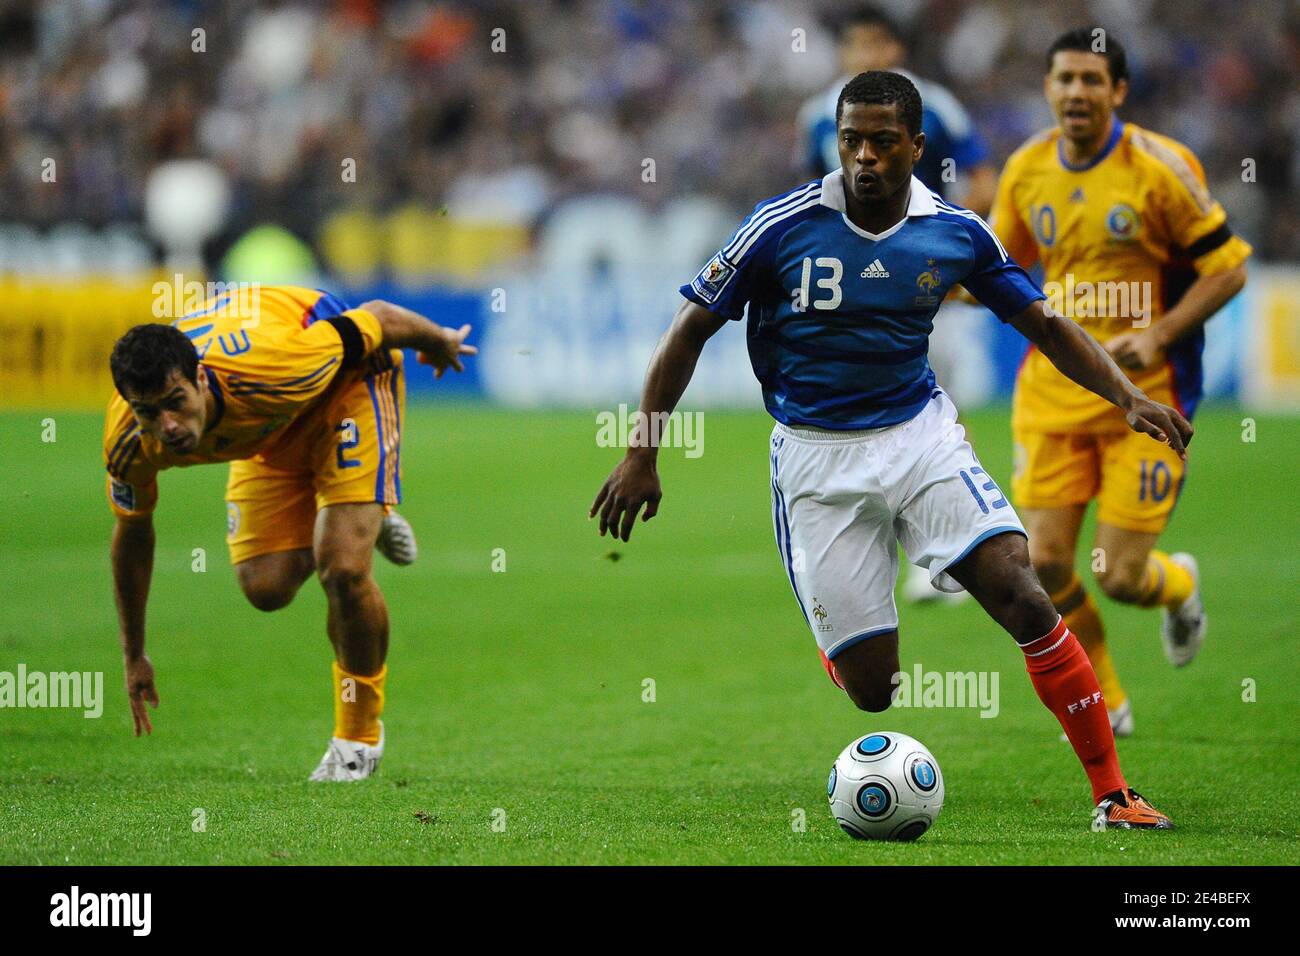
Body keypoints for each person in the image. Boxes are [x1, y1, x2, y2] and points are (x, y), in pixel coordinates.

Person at [591, 71, 1189, 829]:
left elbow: (1043, 324)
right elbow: (689, 328)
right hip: (816, 459)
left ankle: (1114, 794)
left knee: (1022, 591)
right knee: (875, 690)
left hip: (920, 439)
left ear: (915, 145)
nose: (864, 157)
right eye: (850, 142)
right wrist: (643, 451)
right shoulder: (781, 224)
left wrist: (1129, 397)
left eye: (880, 141)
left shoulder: (956, 232)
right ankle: (839, 643)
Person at [989, 28, 1250, 736]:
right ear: (1048, 88)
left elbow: (1229, 266)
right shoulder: (1026, 169)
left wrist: (1159, 334)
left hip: (1145, 401)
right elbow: (999, 265)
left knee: (1119, 576)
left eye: (1091, 80)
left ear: (1119, 92)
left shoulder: (1162, 168)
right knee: (1042, 563)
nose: (1076, 92)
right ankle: (1105, 692)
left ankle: (1180, 585)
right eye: (1065, 79)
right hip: (1050, 396)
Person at [104, 286, 475, 780]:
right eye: (149, 412)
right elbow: (132, 535)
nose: (167, 425)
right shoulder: (128, 441)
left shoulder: (274, 365)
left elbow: (379, 316)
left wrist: (439, 340)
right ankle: (361, 507)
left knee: (342, 567)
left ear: (199, 377)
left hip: (347, 389)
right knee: (266, 587)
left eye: (176, 402)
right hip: (269, 434)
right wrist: (134, 653)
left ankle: (356, 741)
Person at [798, 4, 999, 601]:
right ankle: (874, 544)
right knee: (860, 402)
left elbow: (982, 178)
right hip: (853, 291)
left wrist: (959, 248)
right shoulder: (817, 115)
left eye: (875, 44)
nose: (864, 55)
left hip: (923, 282)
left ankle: (947, 546)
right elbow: (808, 197)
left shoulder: (935, 106)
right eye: (854, 44)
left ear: (895, 50)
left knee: (938, 408)